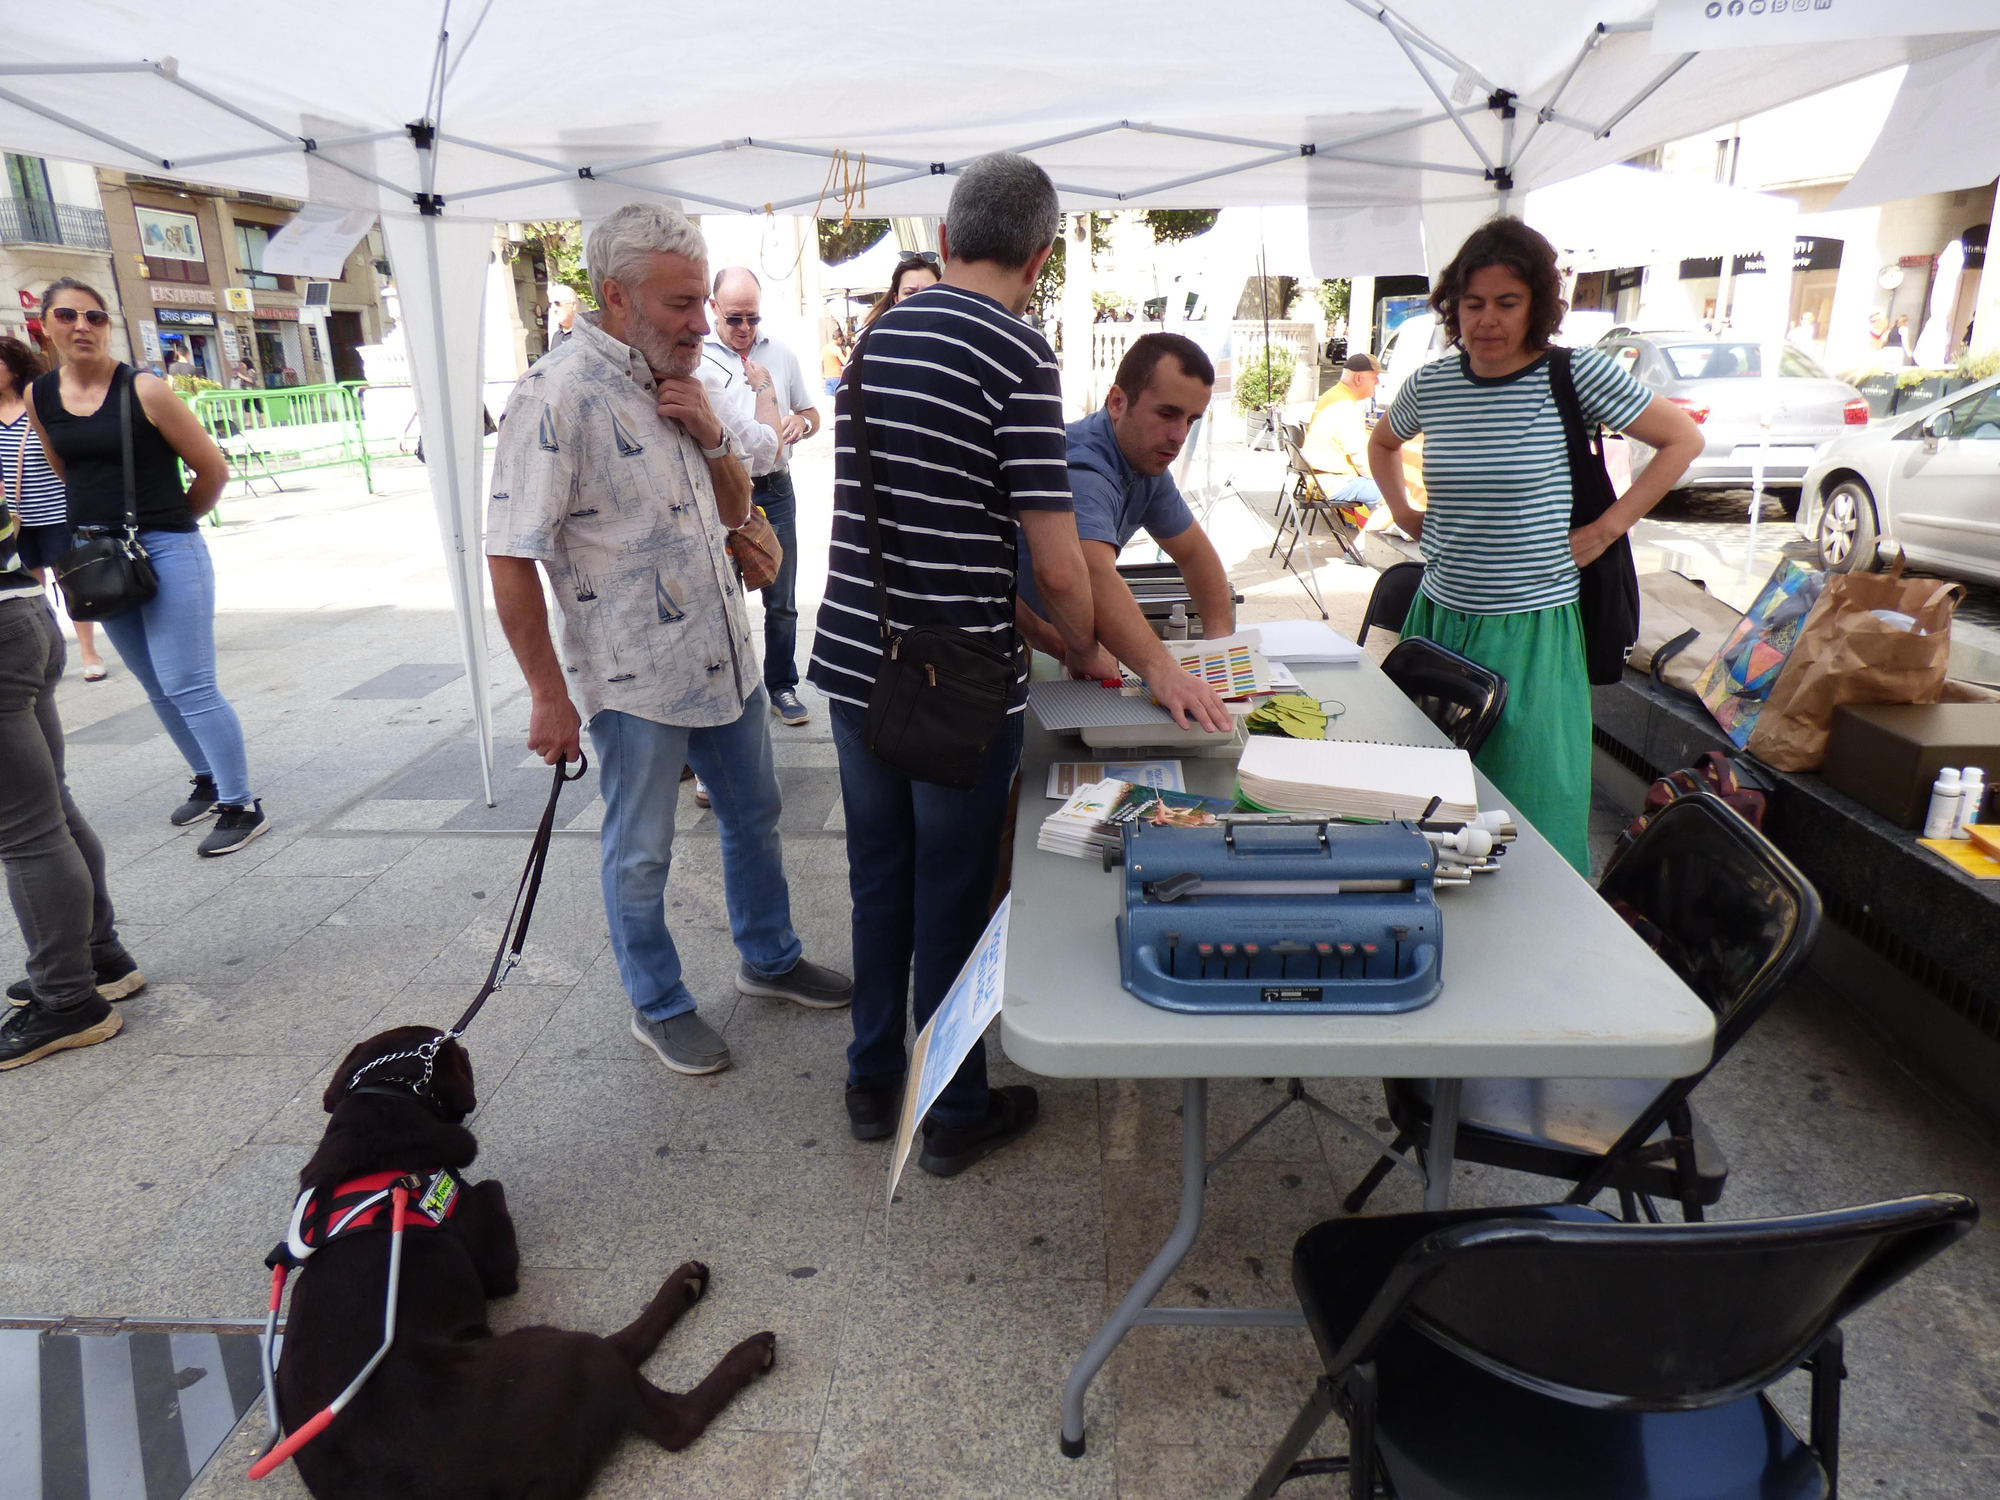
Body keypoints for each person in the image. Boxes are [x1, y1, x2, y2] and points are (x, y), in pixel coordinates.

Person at [487, 203, 851, 1079]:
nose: (701, 324)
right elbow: (510, 555)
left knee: (755, 816)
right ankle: (658, 1003)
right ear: (616, 295)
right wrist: (546, 693)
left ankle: (769, 959)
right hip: (632, 678)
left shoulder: (684, 378)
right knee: (641, 847)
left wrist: (711, 431)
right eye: (681, 304)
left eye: (704, 303)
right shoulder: (556, 392)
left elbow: (734, 508)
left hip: (724, 654)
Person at [810, 153, 1110, 1177]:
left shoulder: (876, 338)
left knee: (877, 878)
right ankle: (953, 1110)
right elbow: (1059, 559)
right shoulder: (1018, 357)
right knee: (951, 889)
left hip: (859, 658)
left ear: (944, 240)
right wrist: (1079, 642)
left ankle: (869, 1080)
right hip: (960, 686)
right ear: (1040, 256)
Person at [1366, 218, 1702, 875]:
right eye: (1473, 303)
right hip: (1439, 620)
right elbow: (1383, 442)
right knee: (1431, 812)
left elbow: (1682, 440)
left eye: (1507, 302)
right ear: (1452, 308)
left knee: (1531, 818)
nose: (1487, 320)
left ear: (1538, 307)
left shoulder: (1575, 376)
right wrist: (1405, 513)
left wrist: (1607, 529)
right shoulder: (1433, 384)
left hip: (1533, 629)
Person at [27, 278, 268, 857]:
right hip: (97, 558)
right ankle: (207, 779)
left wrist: (167, 524)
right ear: (47, 325)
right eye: (68, 315)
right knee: (154, 683)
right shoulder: (40, 396)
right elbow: (67, 471)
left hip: (165, 547)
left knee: (189, 682)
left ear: (107, 325)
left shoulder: (146, 390)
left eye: (95, 316)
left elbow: (211, 470)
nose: (82, 325)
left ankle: (242, 804)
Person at [0, 400, 144, 1071]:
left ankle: (66, 1000)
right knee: (48, 806)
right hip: (22, 611)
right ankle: (98, 958)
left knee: (26, 829)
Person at [1013, 333, 1240, 719]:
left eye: (1191, 419)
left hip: (1050, 635)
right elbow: (1087, 574)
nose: (1179, 436)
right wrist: (1162, 671)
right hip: (1000, 641)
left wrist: (1222, 650)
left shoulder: (1143, 457)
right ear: (1118, 402)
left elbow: (1194, 553)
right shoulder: (1085, 468)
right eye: (1167, 414)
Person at [705, 267, 820, 728]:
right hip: (719, 491)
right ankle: (727, 697)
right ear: (712, 308)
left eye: (753, 318)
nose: (745, 329)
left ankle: (781, 684)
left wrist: (802, 424)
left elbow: (812, 413)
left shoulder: (780, 353)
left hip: (774, 487)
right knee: (717, 597)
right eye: (735, 318)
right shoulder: (698, 356)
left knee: (783, 599)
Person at [0, 336, 106, 682]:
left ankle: (89, 651)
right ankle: (45, 653)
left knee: (71, 582)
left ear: (13, 369)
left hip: (56, 511)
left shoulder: (40, 403)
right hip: (12, 519)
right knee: (30, 590)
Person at [1299, 351, 1384, 508]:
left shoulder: (1331, 395)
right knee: (1394, 494)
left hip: (1316, 480)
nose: (1378, 382)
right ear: (1359, 378)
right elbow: (1360, 462)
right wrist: (1384, 481)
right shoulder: (1346, 406)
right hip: (1333, 484)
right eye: (1374, 377)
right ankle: (1367, 532)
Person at [858, 250, 941, 331]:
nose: (919, 299)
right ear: (896, 298)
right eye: (910, 293)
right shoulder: (878, 335)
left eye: (928, 292)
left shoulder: (952, 330)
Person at [547, 283, 582, 348]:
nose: (554, 309)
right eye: (550, 305)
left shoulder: (587, 334)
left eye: (557, 303)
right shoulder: (556, 336)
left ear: (573, 305)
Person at [820, 326, 850, 398]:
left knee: (829, 400)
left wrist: (823, 374)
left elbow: (822, 362)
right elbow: (845, 362)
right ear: (839, 339)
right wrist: (849, 352)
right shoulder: (836, 349)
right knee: (839, 398)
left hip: (827, 377)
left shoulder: (824, 348)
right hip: (836, 376)